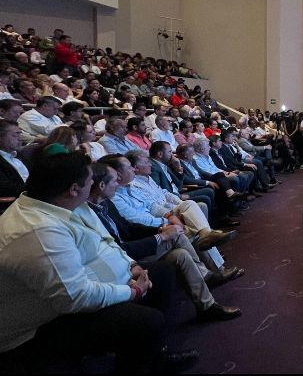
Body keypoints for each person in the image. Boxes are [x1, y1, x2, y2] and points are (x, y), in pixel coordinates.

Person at [0, 151, 198, 373]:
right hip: (43, 325)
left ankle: (155, 355)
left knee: (161, 273)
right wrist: (132, 292)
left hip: (85, 292)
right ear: (74, 188)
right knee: (145, 322)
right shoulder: (37, 230)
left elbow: (108, 243)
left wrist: (132, 265)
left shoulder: (68, 203)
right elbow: (75, 297)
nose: (94, 185)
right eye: (89, 181)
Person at [88, 163, 242, 322]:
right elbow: (118, 246)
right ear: (101, 185)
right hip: (123, 260)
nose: (117, 182)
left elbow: (130, 228)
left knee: (180, 253)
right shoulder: (90, 213)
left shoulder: (106, 204)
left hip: (134, 247)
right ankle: (207, 271)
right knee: (178, 235)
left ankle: (207, 306)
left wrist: (163, 228)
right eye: (114, 180)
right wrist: (160, 236)